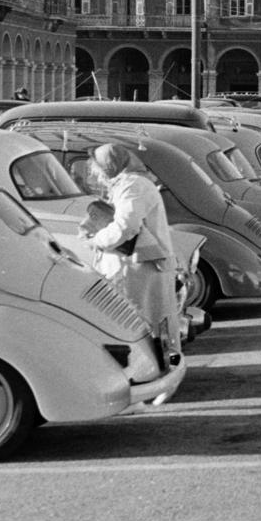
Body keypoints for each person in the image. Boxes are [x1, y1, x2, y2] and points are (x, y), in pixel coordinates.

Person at [80, 143, 183, 367]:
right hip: (141, 267)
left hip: (138, 268)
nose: (96, 175)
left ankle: (159, 370)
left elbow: (126, 226)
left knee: (142, 324)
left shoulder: (132, 185)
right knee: (157, 323)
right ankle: (169, 366)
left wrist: (96, 241)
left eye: (97, 169)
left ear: (110, 166)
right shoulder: (132, 184)